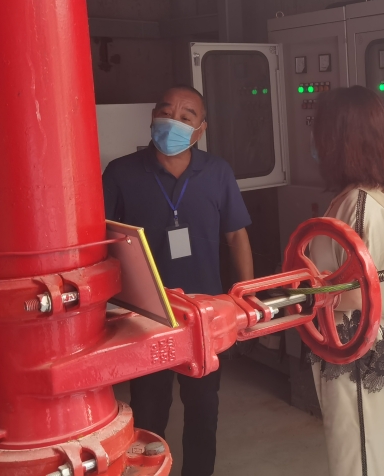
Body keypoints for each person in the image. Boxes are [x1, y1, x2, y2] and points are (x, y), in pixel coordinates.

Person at [102, 85, 254, 476]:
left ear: (200, 129)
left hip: (205, 317)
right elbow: (99, 243)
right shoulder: (121, 173)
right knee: (149, 412)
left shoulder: (217, 172)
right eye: (166, 113)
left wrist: (246, 299)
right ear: (152, 117)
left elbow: (236, 237)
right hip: (145, 318)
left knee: (203, 409)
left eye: (186, 117)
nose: (174, 122)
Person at [308, 85, 384, 476]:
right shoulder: (353, 197)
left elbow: (358, 295)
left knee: (357, 460)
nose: (315, 141)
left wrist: (305, 293)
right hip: (342, 346)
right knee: (350, 452)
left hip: (357, 351)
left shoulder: (362, 205)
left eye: (321, 131)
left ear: (341, 139)